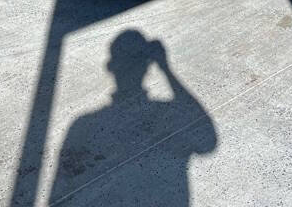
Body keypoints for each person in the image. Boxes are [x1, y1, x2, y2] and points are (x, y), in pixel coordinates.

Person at [50, 30, 216, 205]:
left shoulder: (82, 124)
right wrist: (166, 69)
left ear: (110, 67)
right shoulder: (164, 111)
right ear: (148, 67)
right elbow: (208, 141)